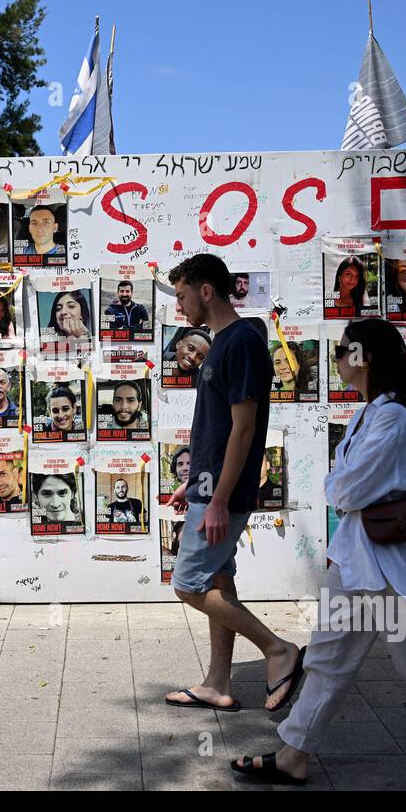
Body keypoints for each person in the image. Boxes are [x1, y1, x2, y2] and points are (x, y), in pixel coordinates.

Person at [233, 316, 406, 791]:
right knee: (326, 662)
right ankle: (293, 755)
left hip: (389, 573)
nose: (338, 358)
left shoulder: (393, 416)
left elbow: (347, 490)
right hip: (358, 565)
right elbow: (349, 488)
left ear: (366, 357)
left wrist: (337, 485)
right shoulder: (370, 412)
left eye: (343, 350)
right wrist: (341, 490)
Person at [161, 253, 297, 715]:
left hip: (223, 494)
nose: (179, 307)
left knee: (187, 584)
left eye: (181, 296)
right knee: (220, 578)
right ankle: (217, 683)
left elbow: (244, 428)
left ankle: (278, 649)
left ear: (205, 291)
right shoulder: (223, 341)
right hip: (209, 486)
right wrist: (195, 484)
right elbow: (216, 429)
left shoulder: (240, 342)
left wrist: (217, 500)